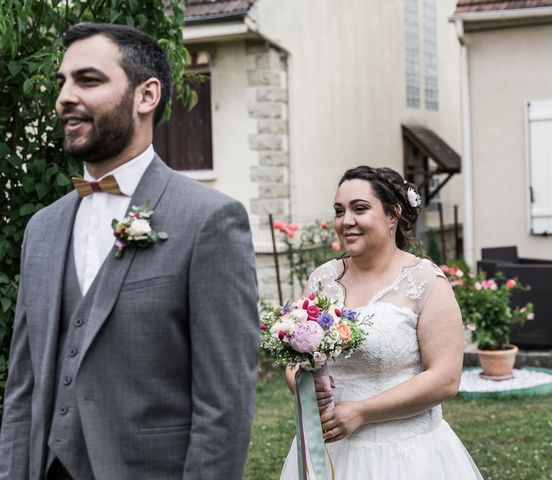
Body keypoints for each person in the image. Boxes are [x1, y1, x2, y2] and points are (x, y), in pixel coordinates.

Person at [0, 23, 259, 480]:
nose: (64, 97)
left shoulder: (209, 221)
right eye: (62, 83)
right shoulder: (41, 230)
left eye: (89, 80)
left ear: (146, 95)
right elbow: (23, 388)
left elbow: (225, 403)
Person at [280, 166, 483, 479]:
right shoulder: (322, 280)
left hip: (405, 457)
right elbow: (295, 356)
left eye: (359, 209)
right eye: (339, 211)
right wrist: (303, 385)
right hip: (327, 452)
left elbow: (445, 378)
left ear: (393, 215)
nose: (346, 220)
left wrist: (362, 411)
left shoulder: (426, 282)